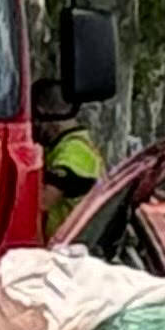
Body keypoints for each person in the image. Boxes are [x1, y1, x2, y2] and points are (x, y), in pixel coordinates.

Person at [34, 76, 104, 222]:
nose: (33, 127)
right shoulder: (65, 145)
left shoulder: (75, 152)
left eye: (34, 119)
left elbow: (42, 201)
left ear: (43, 112)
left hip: (69, 243)